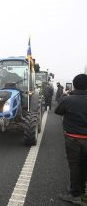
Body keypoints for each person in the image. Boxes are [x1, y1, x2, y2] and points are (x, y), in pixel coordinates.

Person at [55, 74, 87, 205]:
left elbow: (58, 111)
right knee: (84, 165)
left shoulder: (69, 100)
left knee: (74, 165)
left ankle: (75, 194)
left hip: (73, 138)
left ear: (74, 85)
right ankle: (82, 191)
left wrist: (66, 96)